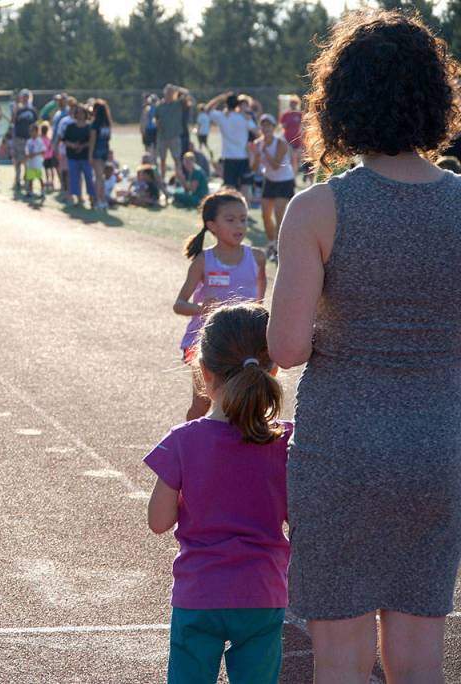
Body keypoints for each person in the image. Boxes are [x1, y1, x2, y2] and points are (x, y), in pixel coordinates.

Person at [267, 11, 461, 682]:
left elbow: (286, 347)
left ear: (341, 101)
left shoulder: (318, 209)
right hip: (439, 443)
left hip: (342, 448)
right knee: (419, 656)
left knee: (341, 661)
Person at [145, 302, 291, 684]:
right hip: (263, 591)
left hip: (199, 592)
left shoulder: (183, 441)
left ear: (203, 371)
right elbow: (301, 517)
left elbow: (158, 521)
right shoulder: (285, 441)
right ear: (273, 369)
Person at [174, 190, 266, 419]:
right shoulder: (203, 261)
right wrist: (202, 309)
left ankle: (244, 439)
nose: (240, 225)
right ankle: (190, 438)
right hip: (207, 341)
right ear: (212, 225)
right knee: (202, 403)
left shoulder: (257, 258)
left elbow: (259, 304)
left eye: (243, 219)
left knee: (251, 400)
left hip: (244, 342)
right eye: (231, 219)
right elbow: (179, 304)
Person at [251, 114, 295, 262]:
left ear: (273, 127)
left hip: (284, 181)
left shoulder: (280, 143)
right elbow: (254, 168)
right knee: (265, 215)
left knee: (278, 213)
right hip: (269, 181)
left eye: (268, 125)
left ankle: (279, 247)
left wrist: (264, 152)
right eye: (263, 125)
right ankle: (271, 244)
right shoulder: (258, 143)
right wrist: (257, 158)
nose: (265, 128)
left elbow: (276, 165)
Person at [204, 92, 257, 194]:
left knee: (229, 188)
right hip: (243, 157)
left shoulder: (222, 117)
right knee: (245, 188)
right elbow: (256, 131)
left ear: (226, 104)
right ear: (237, 105)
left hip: (228, 158)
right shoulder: (244, 117)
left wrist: (220, 97)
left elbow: (207, 109)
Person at [155, 84, 189, 186]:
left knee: (177, 159)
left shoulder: (178, 104)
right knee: (162, 159)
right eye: (167, 92)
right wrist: (158, 125)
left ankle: (178, 179)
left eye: (171, 92)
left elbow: (187, 94)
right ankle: (163, 179)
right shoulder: (160, 105)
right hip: (162, 137)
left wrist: (177, 88)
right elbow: (156, 118)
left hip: (174, 136)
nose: (169, 95)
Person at [62, 105, 95, 207]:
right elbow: (65, 140)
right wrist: (72, 145)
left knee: (89, 177)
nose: (80, 115)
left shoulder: (90, 127)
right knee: (74, 178)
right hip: (73, 157)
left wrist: (83, 146)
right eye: (78, 113)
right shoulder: (70, 127)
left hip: (85, 157)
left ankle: (92, 197)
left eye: (82, 113)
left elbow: (92, 141)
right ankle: (78, 198)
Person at [10, 89, 38, 189]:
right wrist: (15, 111)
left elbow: (36, 124)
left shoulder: (33, 110)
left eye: (27, 97)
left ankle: (29, 181)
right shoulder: (17, 109)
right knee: (17, 159)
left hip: (30, 139)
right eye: (23, 97)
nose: (25, 99)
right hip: (19, 137)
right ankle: (17, 180)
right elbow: (12, 122)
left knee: (30, 160)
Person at [88, 99, 113, 209]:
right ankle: (103, 200)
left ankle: (99, 200)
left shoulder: (95, 124)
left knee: (98, 177)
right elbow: (109, 138)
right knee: (101, 176)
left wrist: (90, 155)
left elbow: (92, 140)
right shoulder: (107, 124)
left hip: (97, 151)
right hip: (105, 150)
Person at [278, 95, 303, 174]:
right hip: (288, 139)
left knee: (296, 159)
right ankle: (291, 174)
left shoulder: (299, 114)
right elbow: (281, 126)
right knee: (291, 158)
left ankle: (294, 174)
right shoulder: (286, 115)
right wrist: (284, 125)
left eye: (295, 103)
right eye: (292, 103)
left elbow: (303, 126)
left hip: (297, 140)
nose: (293, 105)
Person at [23, 123, 47, 199]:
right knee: (30, 178)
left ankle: (43, 192)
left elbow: (43, 151)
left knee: (39, 177)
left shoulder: (39, 141)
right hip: (30, 163)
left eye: (33, 131)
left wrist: (35, 154)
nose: (31, 133)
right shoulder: (29, 141)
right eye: (30, 131)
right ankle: (30, 192)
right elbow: (26, 151)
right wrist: (28, 155)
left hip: (37, 162)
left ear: (37, 131)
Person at [40, 121, 57, 191]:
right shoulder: (48, 139)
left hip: (46, 157)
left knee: (47, 170)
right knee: (51, 169)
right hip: (49, 157)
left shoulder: (43, 139)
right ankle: (51, 182)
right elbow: (51, 147)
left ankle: (49, 182)